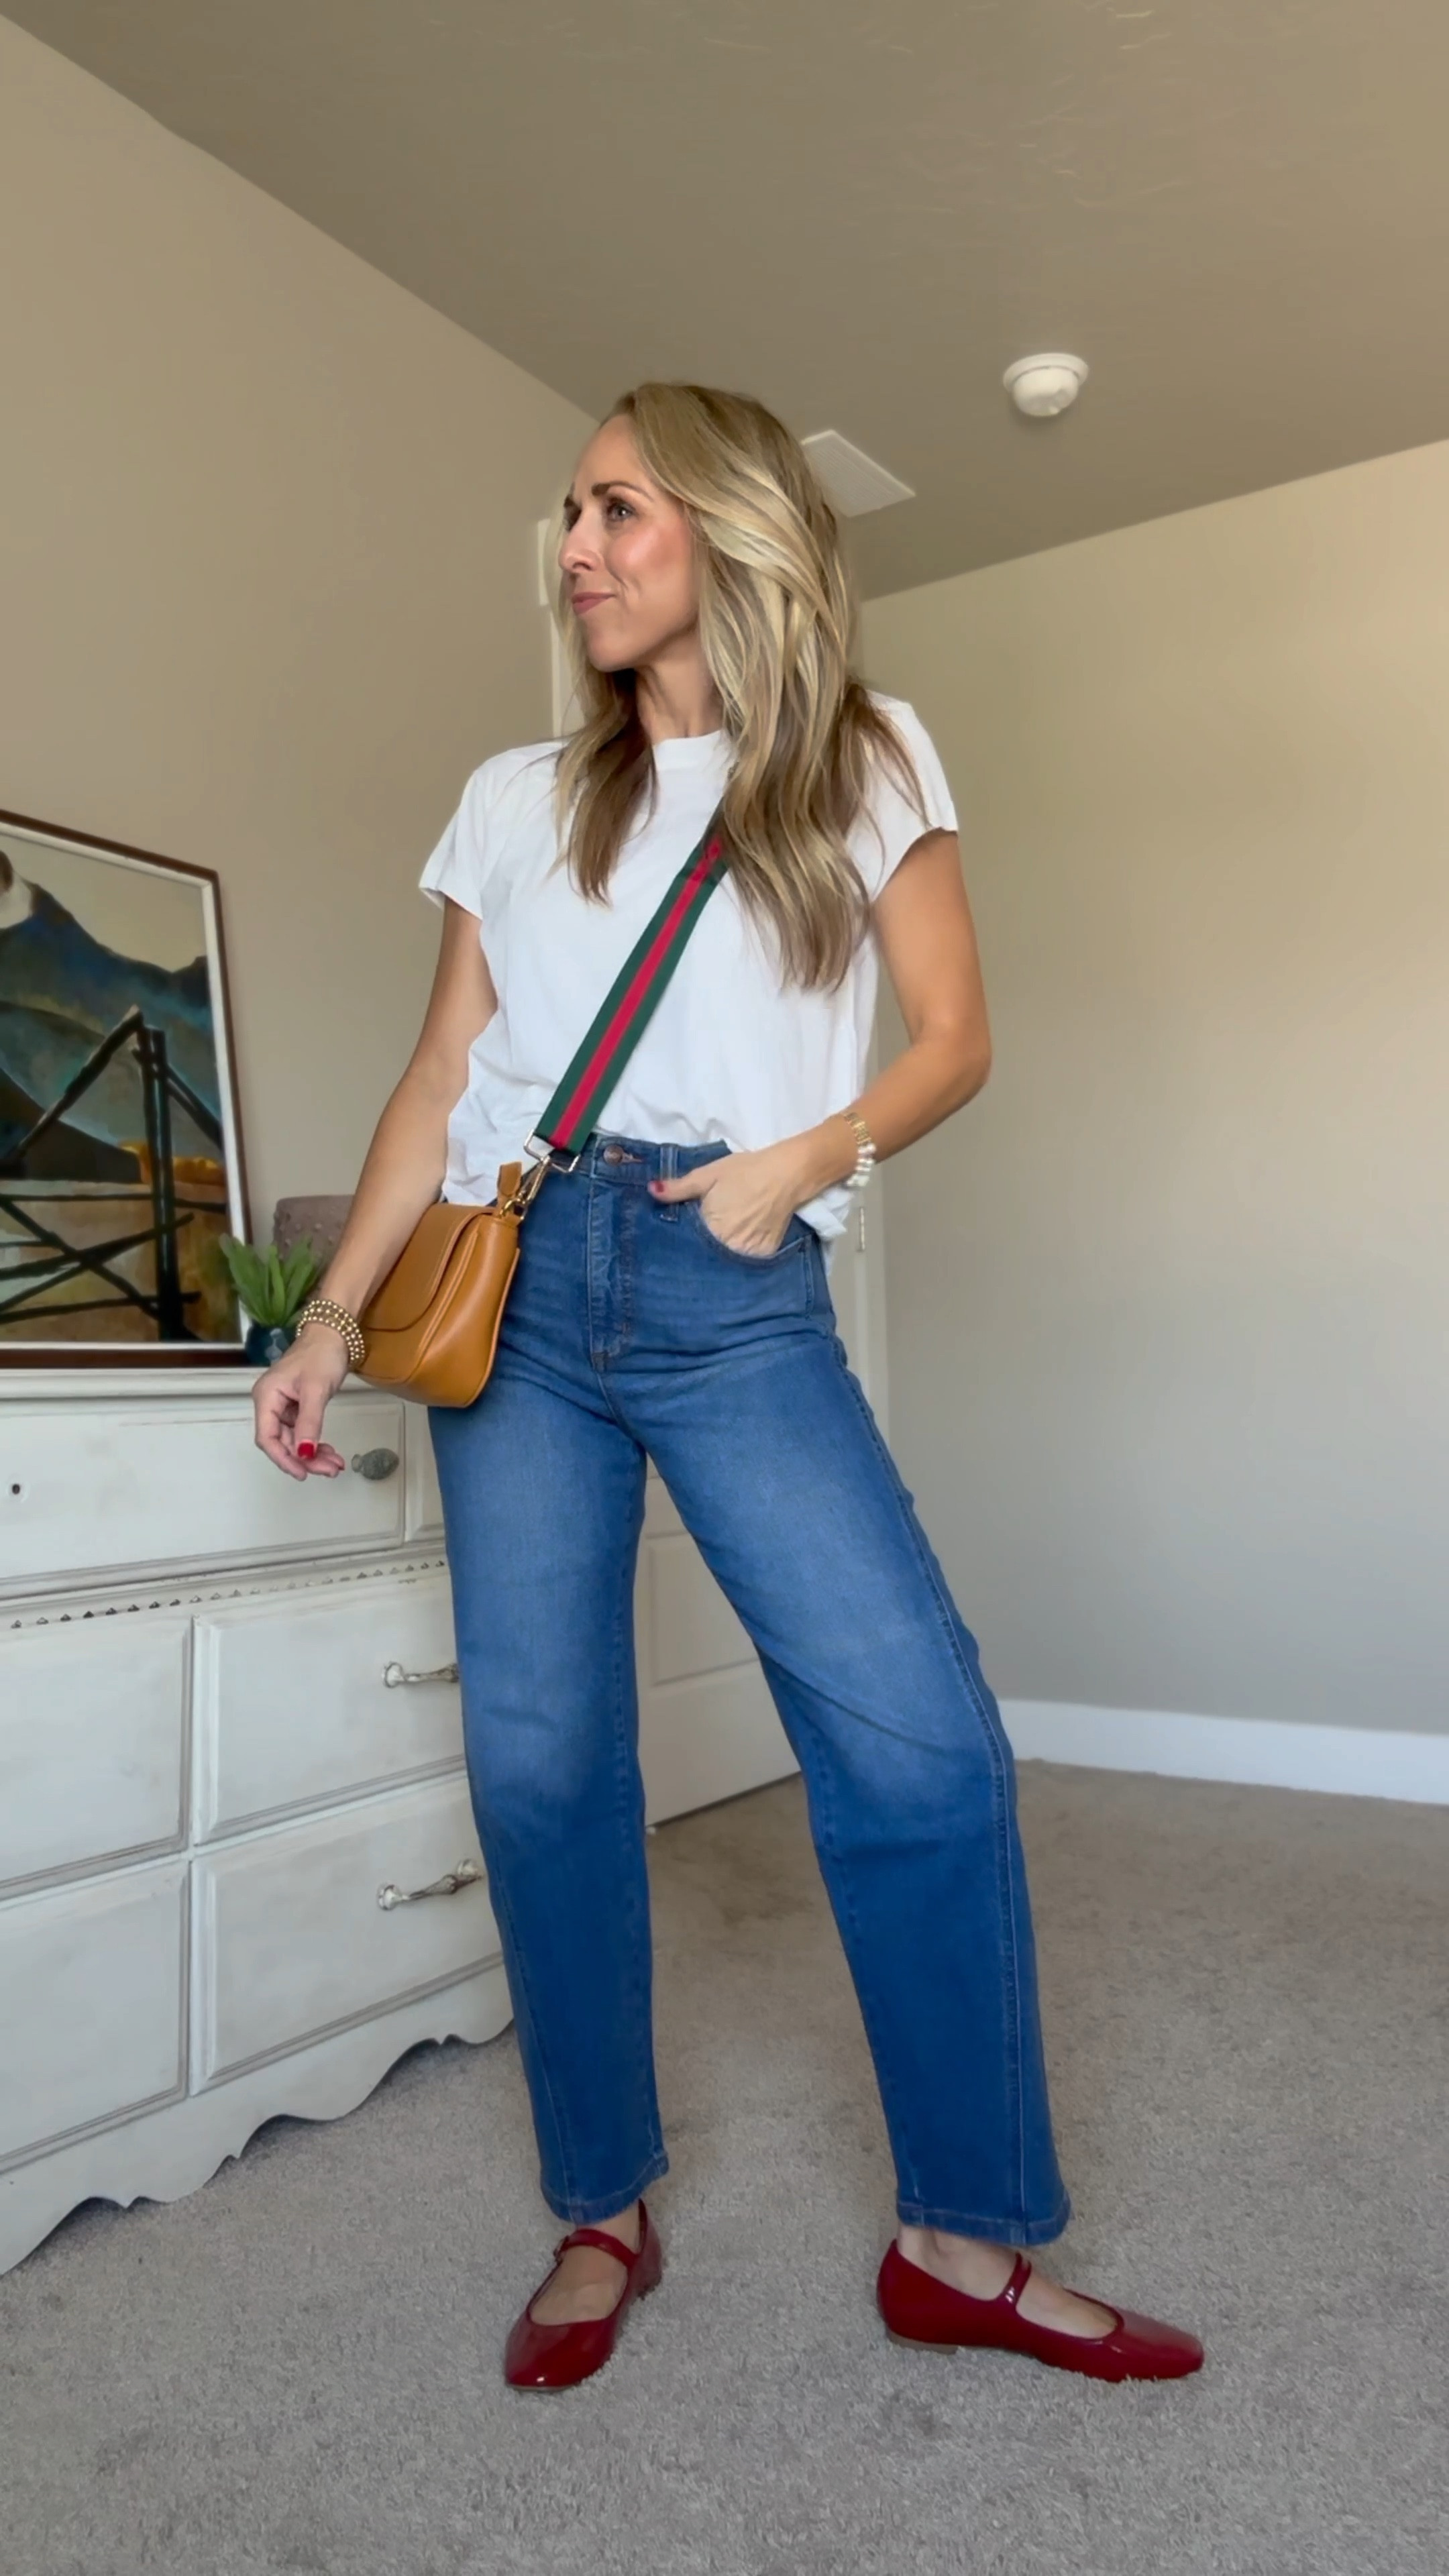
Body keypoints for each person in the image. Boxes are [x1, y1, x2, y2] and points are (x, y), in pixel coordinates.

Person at [254, 382, 1203, 2394]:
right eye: (569, 515)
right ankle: (601, 2204)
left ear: (728, 526)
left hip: (732, 1277)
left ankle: (963, 2240)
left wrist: (806, 1160)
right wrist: (331, 1318)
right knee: (541, 1762)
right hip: (516, 1290)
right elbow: (442, 1078)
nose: (577, 549)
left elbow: (951, 1035)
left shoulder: (861, 755)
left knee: (921, 1746)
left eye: (618, 508)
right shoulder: (515, 798)